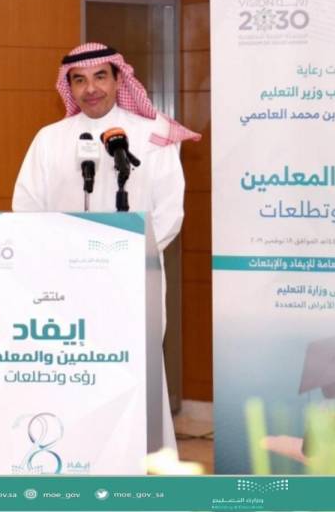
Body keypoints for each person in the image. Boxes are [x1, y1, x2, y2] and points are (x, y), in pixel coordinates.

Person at [12, 42, 200, 451]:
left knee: (132, 368)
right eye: (79, 80)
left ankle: (142, 462)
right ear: (69, 87)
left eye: (100, 77)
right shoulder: (49, 139)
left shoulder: (152, 135)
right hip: (64, 284)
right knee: (72, 370)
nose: (90, 89)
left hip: (133, 279)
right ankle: (76, 458)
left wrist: (123, 259)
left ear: (119, 80)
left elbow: (169, 211)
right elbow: (27, 207)